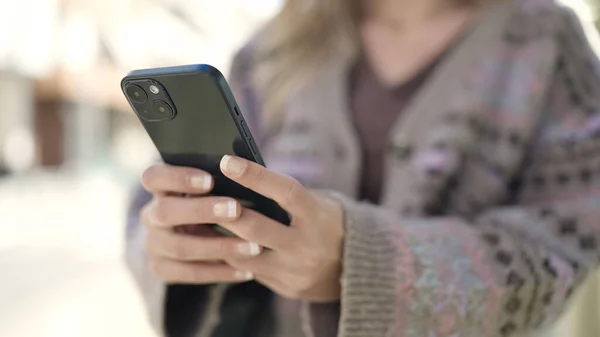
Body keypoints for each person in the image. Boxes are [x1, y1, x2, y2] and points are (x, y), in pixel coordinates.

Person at [125, 0, 600, 336]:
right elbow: (153, 201)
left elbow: (565, 244)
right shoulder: (277, 43)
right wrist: (170, 242)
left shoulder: (546, 42)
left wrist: (364, 266)